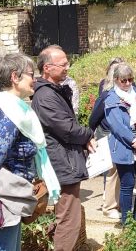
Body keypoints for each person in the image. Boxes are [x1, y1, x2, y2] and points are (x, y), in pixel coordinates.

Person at [0, 53, 60, 251]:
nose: (35, 79)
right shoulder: (8, 115)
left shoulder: (16, 110)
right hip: (2, 203)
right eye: (31, 74)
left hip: (12, 199)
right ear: (15, 77)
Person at [32, 46, 96, 251]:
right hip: (62, 161)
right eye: (63, 64)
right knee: (68, 219)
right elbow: (66, 128)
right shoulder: (45, 96)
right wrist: (88, 135)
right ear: (47, 68)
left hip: (65, 158)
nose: (68, 67)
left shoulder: (53, 92)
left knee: (68, 217)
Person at [104, 63, 136, 224]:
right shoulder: (111, 98)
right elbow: (118, 127)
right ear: (116, 80)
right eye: (123, 80)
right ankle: (127, 222)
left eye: (130, 79)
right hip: (124, 145)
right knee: (127, 184)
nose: (127, 83)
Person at [88, 57, 125, 219]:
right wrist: (90, 136)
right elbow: (93, 118)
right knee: (112, 169)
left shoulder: (131, 92)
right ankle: (109, 205)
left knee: (123, 170)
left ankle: (119, 202)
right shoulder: (106, 94)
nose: (127, 82)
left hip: (125, 134)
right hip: (107, 133)